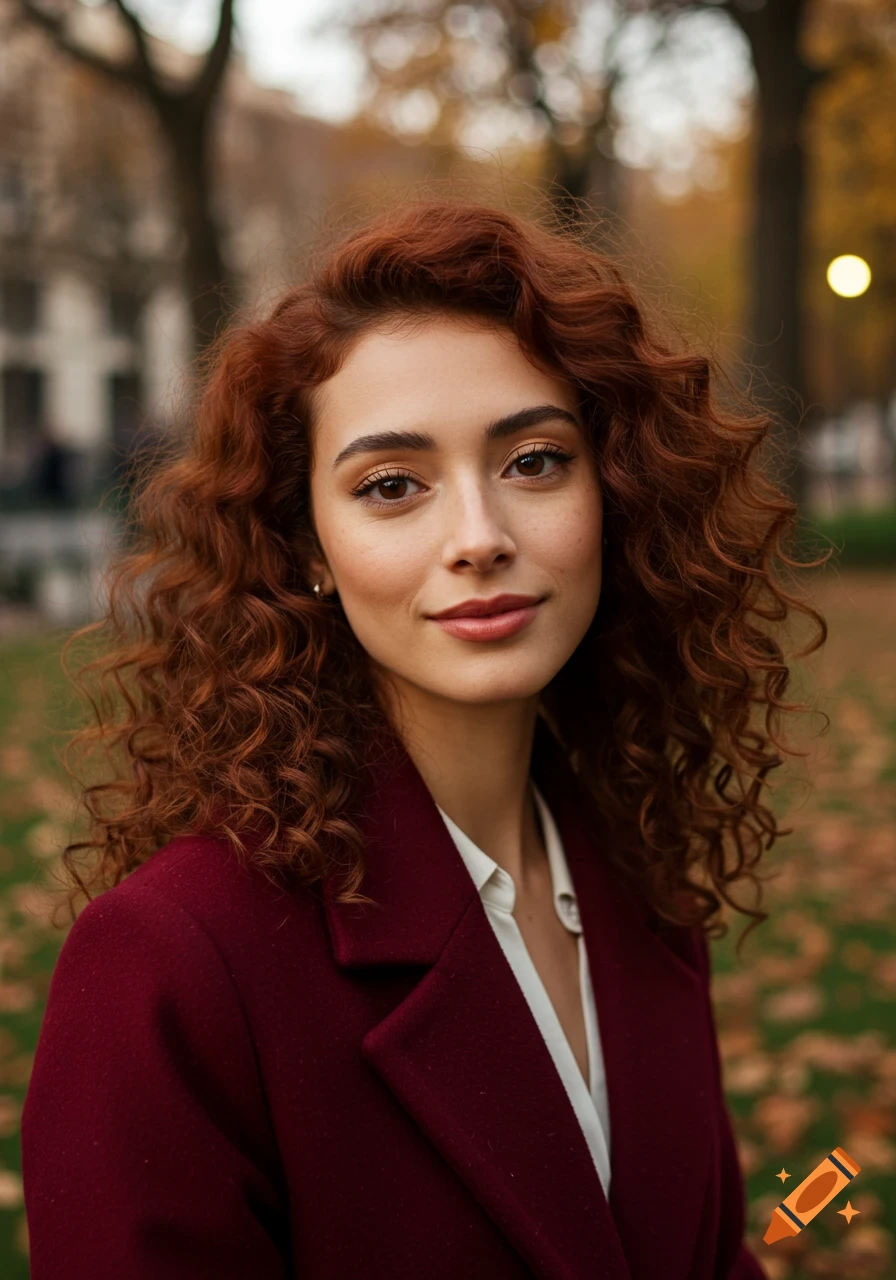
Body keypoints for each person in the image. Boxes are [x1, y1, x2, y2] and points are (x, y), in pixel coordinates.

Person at [20, 197, 827, 1279]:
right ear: (309, 545)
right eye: (391, 485)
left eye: (533, 461)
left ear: (614, 490)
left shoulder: (635, 878)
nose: (478, 538)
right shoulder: (176, 961)